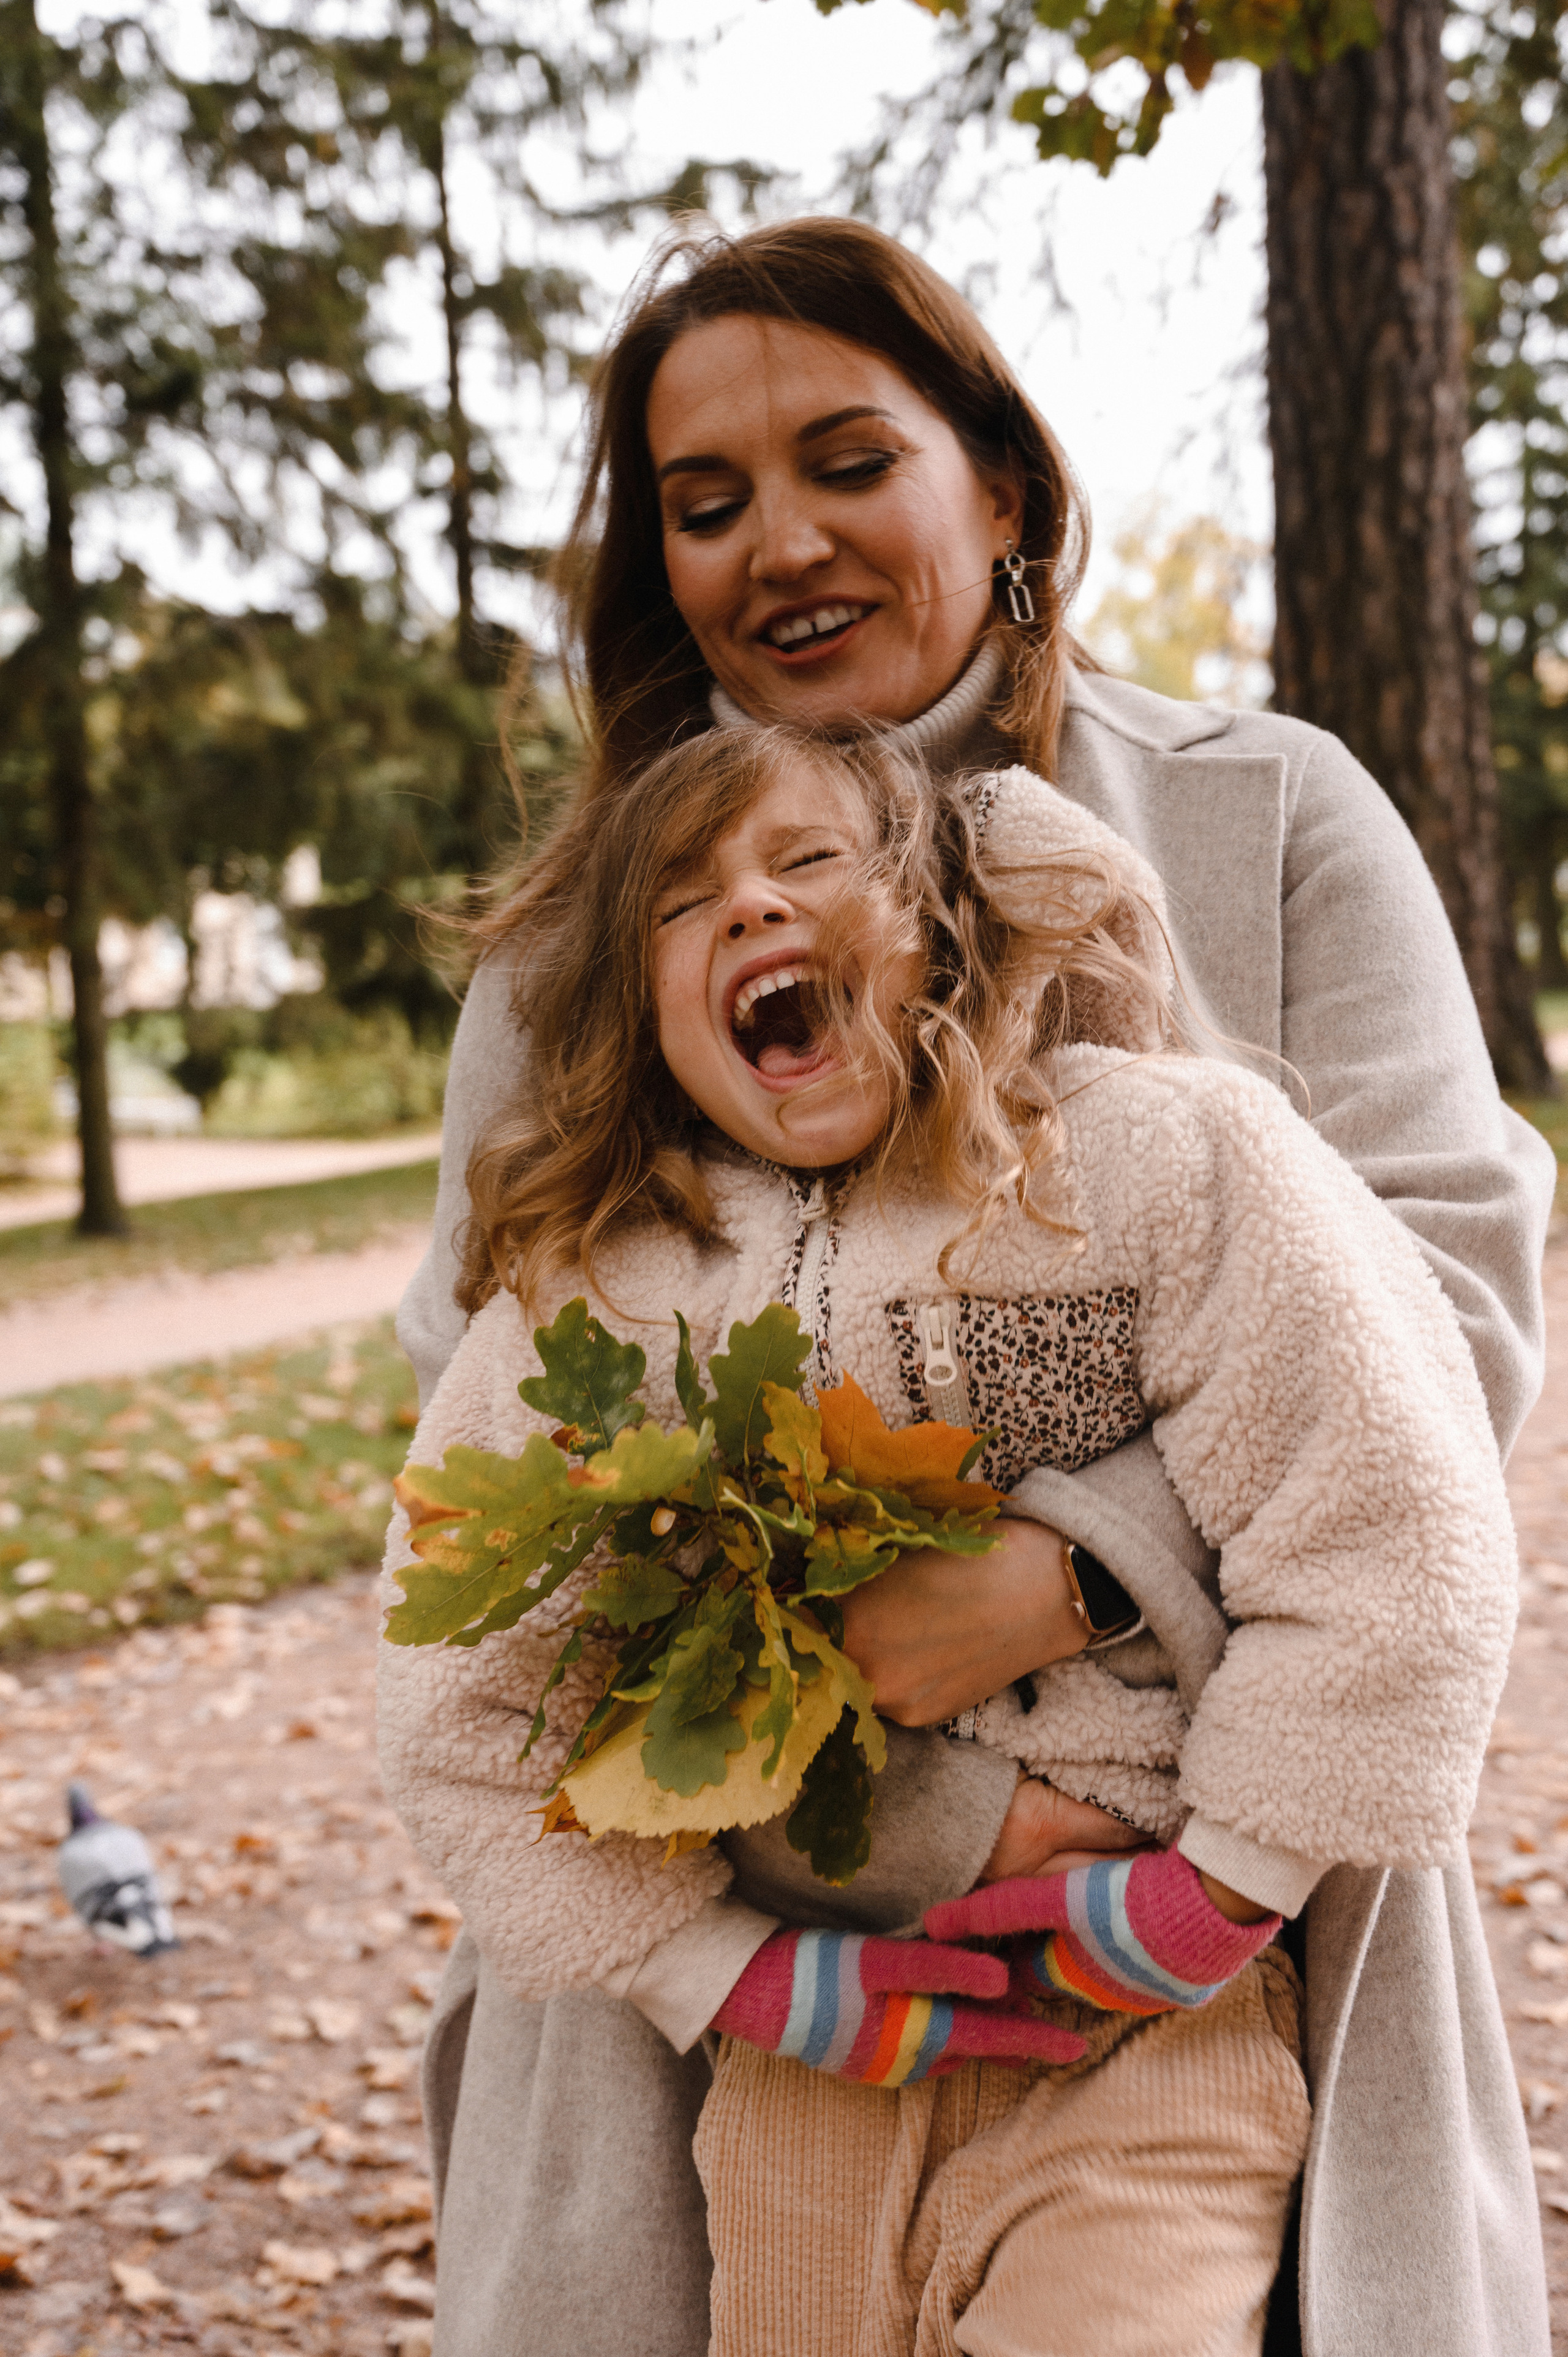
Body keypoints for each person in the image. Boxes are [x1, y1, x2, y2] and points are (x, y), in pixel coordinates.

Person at [390, 216, 1555, 2356]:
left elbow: (1449, 1319)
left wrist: (1079, 1572)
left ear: (998, 485)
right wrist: (904, 1805)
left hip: (1198, 1918)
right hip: (724, 1954)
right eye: (706, 502)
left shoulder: (1269, 816)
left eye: (849, 460)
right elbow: (497, 1472)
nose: (781, 544)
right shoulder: (581, 944)